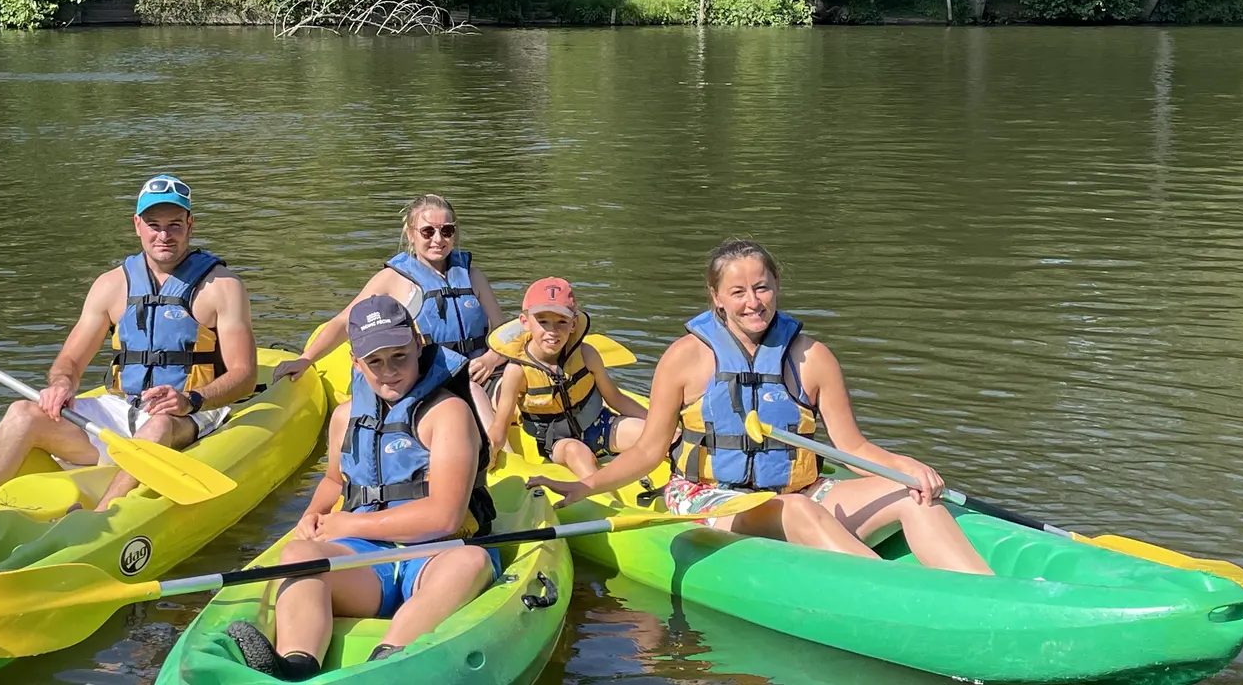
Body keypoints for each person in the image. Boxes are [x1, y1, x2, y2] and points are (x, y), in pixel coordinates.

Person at [527, 240, 992, 574]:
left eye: (762, 288)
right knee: (797, 511)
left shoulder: (812, 357)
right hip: (707, 500)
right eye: (738, 292)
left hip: (801, 492)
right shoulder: (685, 358)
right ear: (716, 299)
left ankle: (987, 598)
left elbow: (853, 445)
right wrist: (583, 489)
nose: (753, 302)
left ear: (777, 286)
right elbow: (649, 453)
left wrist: (904, 466)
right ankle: (905, 599)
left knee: (911, 496)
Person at [0, 175, 257, 512]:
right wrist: (62, 384)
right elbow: (70, 362)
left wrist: (191, 399)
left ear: (190, 225)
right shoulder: (111, 285)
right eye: (153, 225)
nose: (164, 236)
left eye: (174, 225)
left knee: (159, 424)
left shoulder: (222, 286)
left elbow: (244, 374)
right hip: (123, 409)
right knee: (22, 412)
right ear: (137, 225)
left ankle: (100, 516)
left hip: (190, 414)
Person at [227, 296, 498, 679]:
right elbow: (335, 481)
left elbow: (445, 515)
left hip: (437, 553)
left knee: (471, 562)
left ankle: (386, 661)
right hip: (367, 564)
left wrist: (349, 525)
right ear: (356, 362)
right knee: (298, 554)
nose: (389, 371)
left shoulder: (447, 413)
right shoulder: (344, 418)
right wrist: (312, 516)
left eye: (399, 357)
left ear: (418, 345)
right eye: (375, 361)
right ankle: (296, 666)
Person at [273, 194, 503, 429]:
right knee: (472, 391)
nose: (438, 239)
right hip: (430, 376)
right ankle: (498, 453)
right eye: (427, 232)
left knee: (509, 386)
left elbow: (503, 330)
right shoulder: (392, 280)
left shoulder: (473, 276)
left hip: (481, 370)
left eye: (446, 231)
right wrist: (305, 359)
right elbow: (345, 322)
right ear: (411, 234)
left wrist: (492, 358)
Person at [489, 277, 647, 478]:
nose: (552, 331)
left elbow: (615, 398)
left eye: (562, 322)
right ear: (525, 322)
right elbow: (499, 427)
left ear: (574, 324)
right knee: (576, 451)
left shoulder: (587, 354)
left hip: (598, 426)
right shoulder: (517, 371)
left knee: (655, 434)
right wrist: (489, 449)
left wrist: (658, 423)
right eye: (543, 321)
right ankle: (606, 502)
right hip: (556, 441)